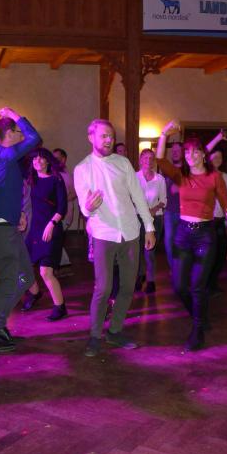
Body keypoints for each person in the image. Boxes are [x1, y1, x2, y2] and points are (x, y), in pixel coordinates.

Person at [157, 121, 227, 351]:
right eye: (187, 152)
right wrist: (164, 134)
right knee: (179, 286)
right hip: (182, 234)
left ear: (203, 154)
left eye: (195, 151)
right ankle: (199, 315)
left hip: (205, 236)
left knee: (198, 286)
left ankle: (197, 330)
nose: (190, 156)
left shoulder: (214, 177)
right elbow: (160, 160)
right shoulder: (180, 175)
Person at [74, 119, 155, 357]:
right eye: (104, 136)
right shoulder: (83, 169)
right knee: (104, 288)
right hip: (104, 234)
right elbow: (84, 207)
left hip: (130, 232)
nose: (109, 140)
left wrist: (149, 227)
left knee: (128, 286)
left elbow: (138, 196)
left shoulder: (123, 163)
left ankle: (115, 330)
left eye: (111, 136)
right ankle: (94, 335)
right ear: (91, 137)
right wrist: (88, 207)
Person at [0, 106, 41, 353]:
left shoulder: (2, 157)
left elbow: (7, 191)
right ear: (9, 134)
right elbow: (34, 137)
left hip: (9, 227)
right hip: (2, 232)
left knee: (26, 278)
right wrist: (14, 114)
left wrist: (19, 214)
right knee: (8, 282)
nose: (21, 136)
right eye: (17, 132)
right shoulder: (1, 154)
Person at [22, 148, 69, 321]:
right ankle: (34, 292)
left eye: (41, 158)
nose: (38, 161)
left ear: (48, 161)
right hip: (35, 229)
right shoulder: (32, 179)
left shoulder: (56, 179)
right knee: (21, 265)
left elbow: (62, 207)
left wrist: (52, 224)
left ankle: (60, 307)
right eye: (35, 159)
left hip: (51, 229)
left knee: (45, 272)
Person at [135, 148, 166, 294]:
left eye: (151, 158)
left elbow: (164, 200)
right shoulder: (134, 177)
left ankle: (151, 280)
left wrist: (153, 209)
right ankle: (140, 275)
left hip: (155, 218)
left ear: (154, 162)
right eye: (145, 158)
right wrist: (142, 211)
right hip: (137, 218)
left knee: (150, 251)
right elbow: (130, 198)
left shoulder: (160, 179)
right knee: (138, 250)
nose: (148, 161)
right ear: (140, 160)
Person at [204, 130, 227, 295]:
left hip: (220, 220)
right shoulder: (204, 175)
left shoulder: (225, 176)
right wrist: (219, 137)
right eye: (214, 157)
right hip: (207, 221)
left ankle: (212, 284)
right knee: (209, 256)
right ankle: (205, 285)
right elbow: (205, 150)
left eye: (220, 157)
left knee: (221, 255)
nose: (217, 160)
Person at [52, 147, 76, 274]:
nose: (54, 160)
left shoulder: (66, 176)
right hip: (54, 213)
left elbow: (74, 193)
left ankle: (62, 265)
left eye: (57, 158)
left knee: (57, 238)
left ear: (63, 159)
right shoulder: (51, 174)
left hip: (65, 213)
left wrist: (60, 201)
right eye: (53, 158)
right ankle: (61, 265)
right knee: (55, 239)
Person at [163, 140, 184, 274]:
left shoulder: (188, 169)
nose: (175, 153)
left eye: (178, 150)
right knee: (169, 242)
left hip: (185, 213)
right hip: (169, 212)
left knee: (182, 243)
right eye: (173, 151)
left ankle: (182, 269)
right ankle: (174, 269)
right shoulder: (167, 169)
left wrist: (181, 187)